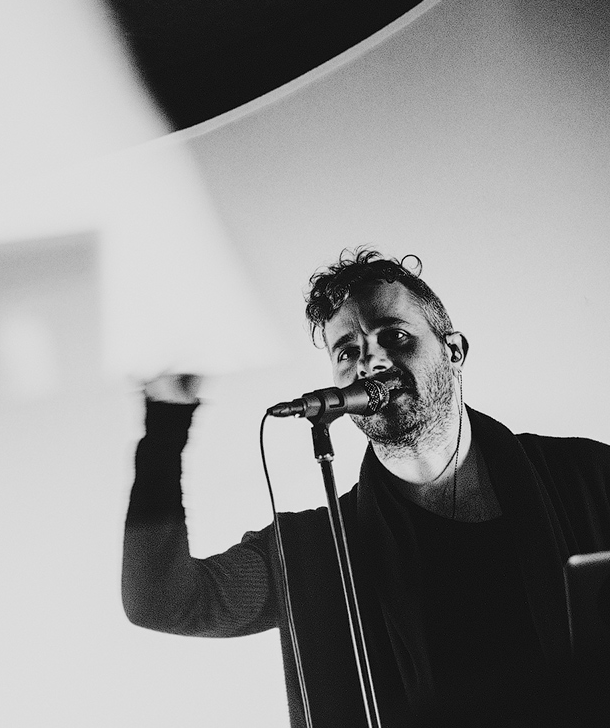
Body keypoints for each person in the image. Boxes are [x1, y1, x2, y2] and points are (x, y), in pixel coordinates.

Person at [122, 249, 610, 727]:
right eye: (347, 351)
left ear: (454, 351)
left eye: (394, 336)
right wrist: (166, 423)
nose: (370, 361)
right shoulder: (313, 551)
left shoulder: (591, 475)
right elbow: (164, 601)